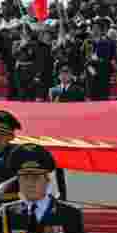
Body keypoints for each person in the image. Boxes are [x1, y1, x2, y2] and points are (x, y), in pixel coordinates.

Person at [47, 64, 85, 201]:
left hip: (71, 130)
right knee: (58, 164)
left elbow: (82, 110)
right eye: (62, 74)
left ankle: (63, 193)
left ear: (71, 76)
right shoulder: (53, 91)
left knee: (64, 162)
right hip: (57, 130)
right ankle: (61, 193)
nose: (64, 76)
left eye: (67, 73)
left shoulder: (78, 90)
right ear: (59, 76)